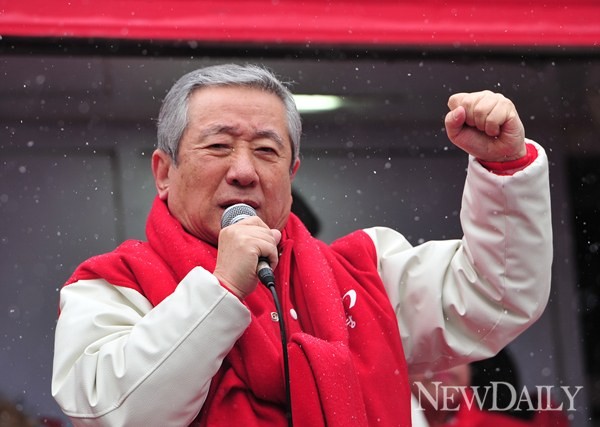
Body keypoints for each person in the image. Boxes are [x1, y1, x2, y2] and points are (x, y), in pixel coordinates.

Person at [51, 64, 553, 426]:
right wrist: (220, 291)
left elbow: (495, 295)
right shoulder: (113, 287)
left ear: (291, 175)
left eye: (266, 150)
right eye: (218, 146)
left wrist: (505, 168)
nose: (243, 170)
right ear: (164, 172)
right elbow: (117, 413)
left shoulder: (364, 273)